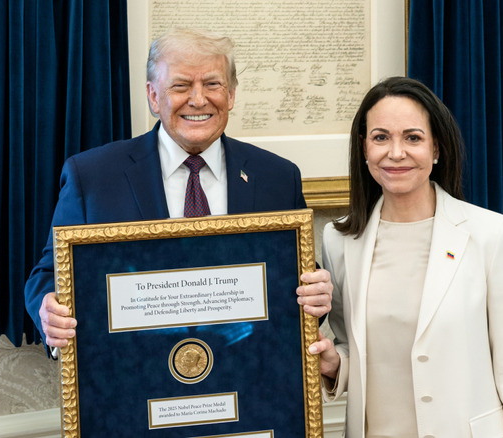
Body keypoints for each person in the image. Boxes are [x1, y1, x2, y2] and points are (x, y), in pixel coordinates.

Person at [24, 28, 332, 351]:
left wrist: (317, 294)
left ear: (231, 95)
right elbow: (48, 275)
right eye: (181, 86)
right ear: (154, 96)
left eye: (212, 84)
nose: (198, 100)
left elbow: (296, 282)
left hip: (247, 379)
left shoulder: (278, 178)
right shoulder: (92, 178)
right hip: (133, 380)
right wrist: (49, 310)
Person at [310, 77, 503, 437]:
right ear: (364, 149)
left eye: (413, 137)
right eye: (381, 137)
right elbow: (352, 346)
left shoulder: (490, 235)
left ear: (436, 149)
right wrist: (333, 364)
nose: (396, 152)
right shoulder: (340, 240)